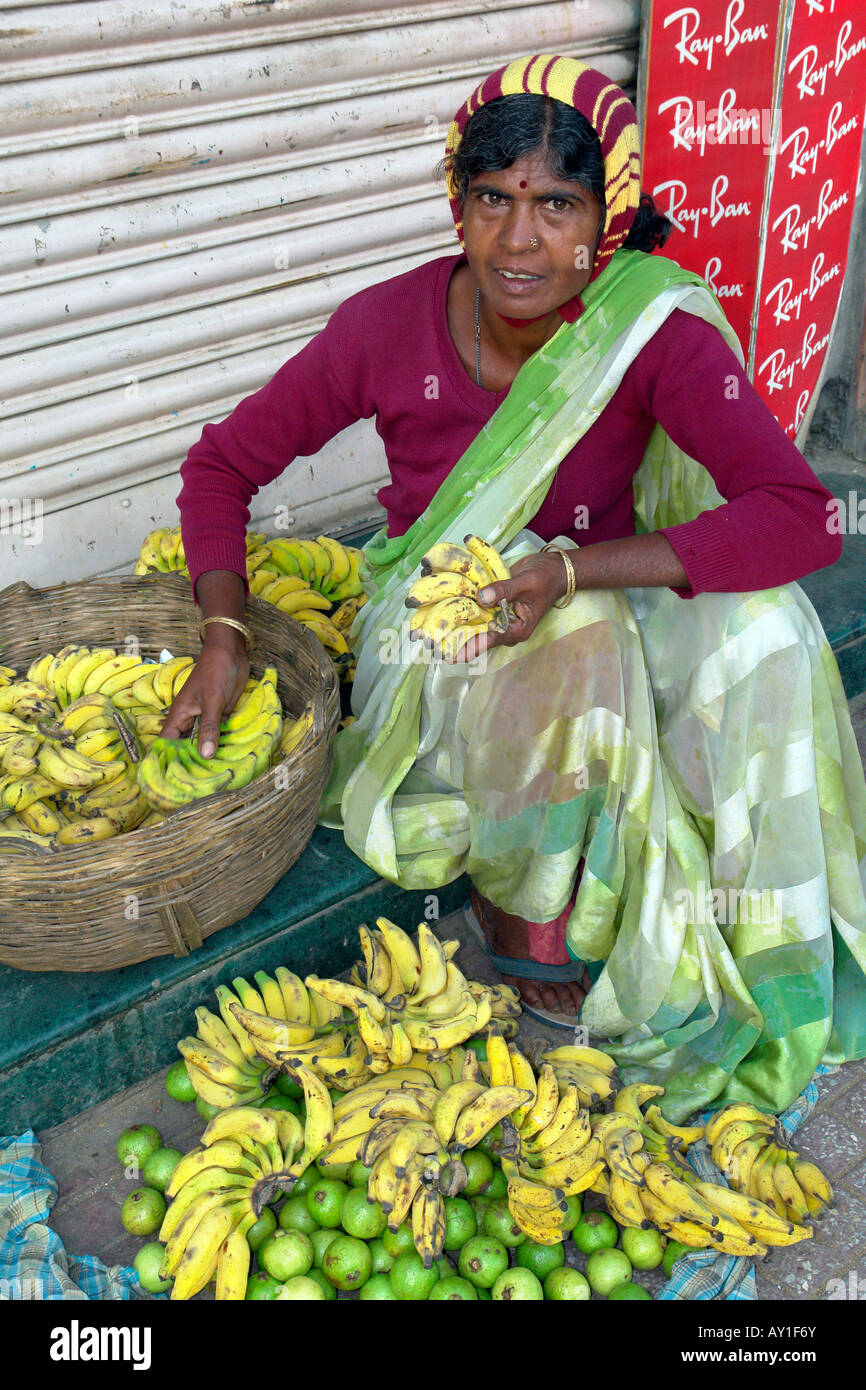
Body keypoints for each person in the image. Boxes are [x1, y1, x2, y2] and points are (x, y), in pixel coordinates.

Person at [170, 55, 866, 1119]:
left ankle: (758, 920)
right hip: (437, 630)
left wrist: (575, 566)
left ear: (605, 218)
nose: (518, 239)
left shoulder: (645, 332)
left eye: (555, 205)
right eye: (491, 199)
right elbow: (222, 465)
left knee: (764, 627)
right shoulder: (382, 327)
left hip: (587, 587)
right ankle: (534, 925)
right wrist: (221, 634)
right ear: (456, 207)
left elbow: (800, 515)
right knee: (576, 633)